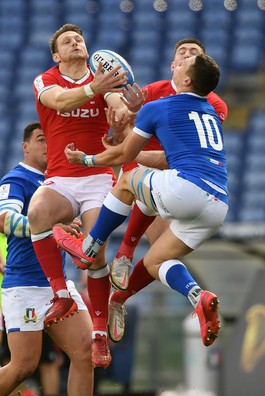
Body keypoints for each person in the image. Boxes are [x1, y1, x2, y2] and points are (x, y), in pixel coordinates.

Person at [53, 53, 228, 347]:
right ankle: (198, 295)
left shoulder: (159, 106)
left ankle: (89, 247)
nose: (180, 61)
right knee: (159, 259)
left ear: (186, 80)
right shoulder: (210, 110)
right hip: (217, 205)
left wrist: (85, 158)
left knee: (127, 180)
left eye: (185, 62)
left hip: (187, 189)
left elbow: (124, 156)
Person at [27, 23, 133, 368]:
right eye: (67, 42)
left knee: (94, 255)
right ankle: (61, 295)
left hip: (98, 175)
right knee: (37, 213)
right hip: (61, 176)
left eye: (79, 39)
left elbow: (117, 105)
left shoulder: (103, 79)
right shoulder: (46, 80)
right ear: (56, 55)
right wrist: (95, 88)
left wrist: (122, 116)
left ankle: (99, 335)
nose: (75, 43)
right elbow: (58, 100)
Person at [109, 38, 228, 293]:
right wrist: (123, 125)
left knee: (160, 255)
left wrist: (121, 151)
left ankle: (119, 295)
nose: (186, 55)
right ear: (173, 65)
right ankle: (122, 257)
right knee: (160, 253)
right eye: (181, 53)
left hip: (176, 175)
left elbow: (187, 153)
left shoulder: (214, 104)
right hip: (154, 174)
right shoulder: (153, 91)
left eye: (193, 53)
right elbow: (125, 135)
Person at [0, 122, 94, 396]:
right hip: (24, 287)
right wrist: (47, 228)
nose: (47, 145)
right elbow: (4, 219)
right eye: (41, 139)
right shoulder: (16, 179)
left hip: (58, 287)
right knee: (23, 366)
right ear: (25, 146)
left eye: (51, 139)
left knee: (86, 352)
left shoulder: (58, 184)